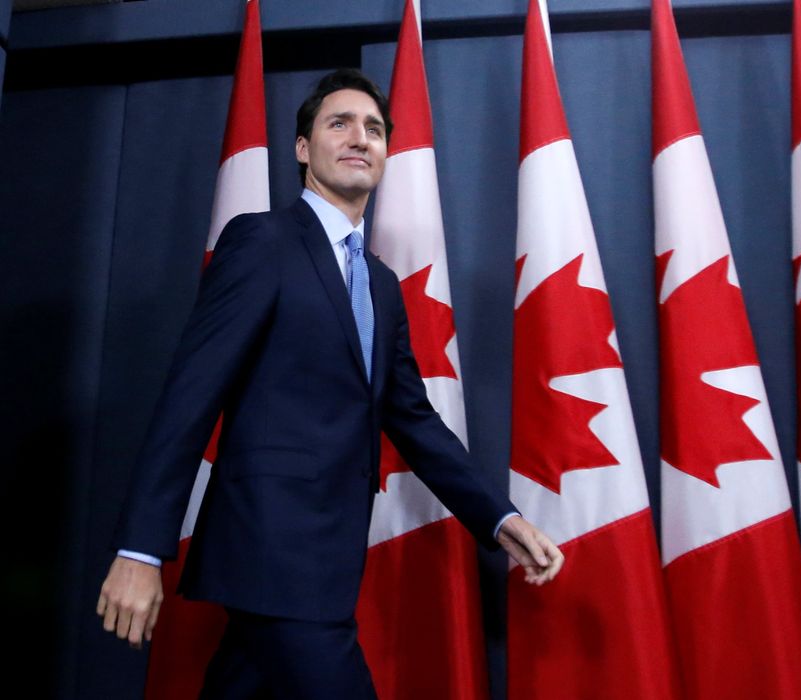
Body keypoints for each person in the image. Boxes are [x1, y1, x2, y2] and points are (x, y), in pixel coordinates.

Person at [96, 68, 563, 698]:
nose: (359, 137)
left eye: (373, 128)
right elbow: (190, 394)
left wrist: (499, 518)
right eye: (338, 122)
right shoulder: (261, 241)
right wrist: (141, 548)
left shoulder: (380, 286)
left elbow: (415, 422)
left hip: (330, 557)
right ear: (302, 147)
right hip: (269, 548)